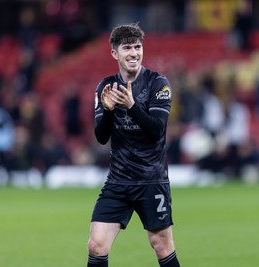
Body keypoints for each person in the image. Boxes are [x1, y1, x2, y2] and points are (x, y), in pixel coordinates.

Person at [87, 23, 180, 267]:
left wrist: (131, 106)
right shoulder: (105, 86)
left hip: (152, 180)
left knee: (161, 246)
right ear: (114, 53)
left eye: (138, 47)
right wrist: (107, 111)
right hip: (118, 181)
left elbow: (156, 129)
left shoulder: (158, 84)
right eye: (127, 48)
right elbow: (101, 137)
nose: (134, 53)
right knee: (96, 245)